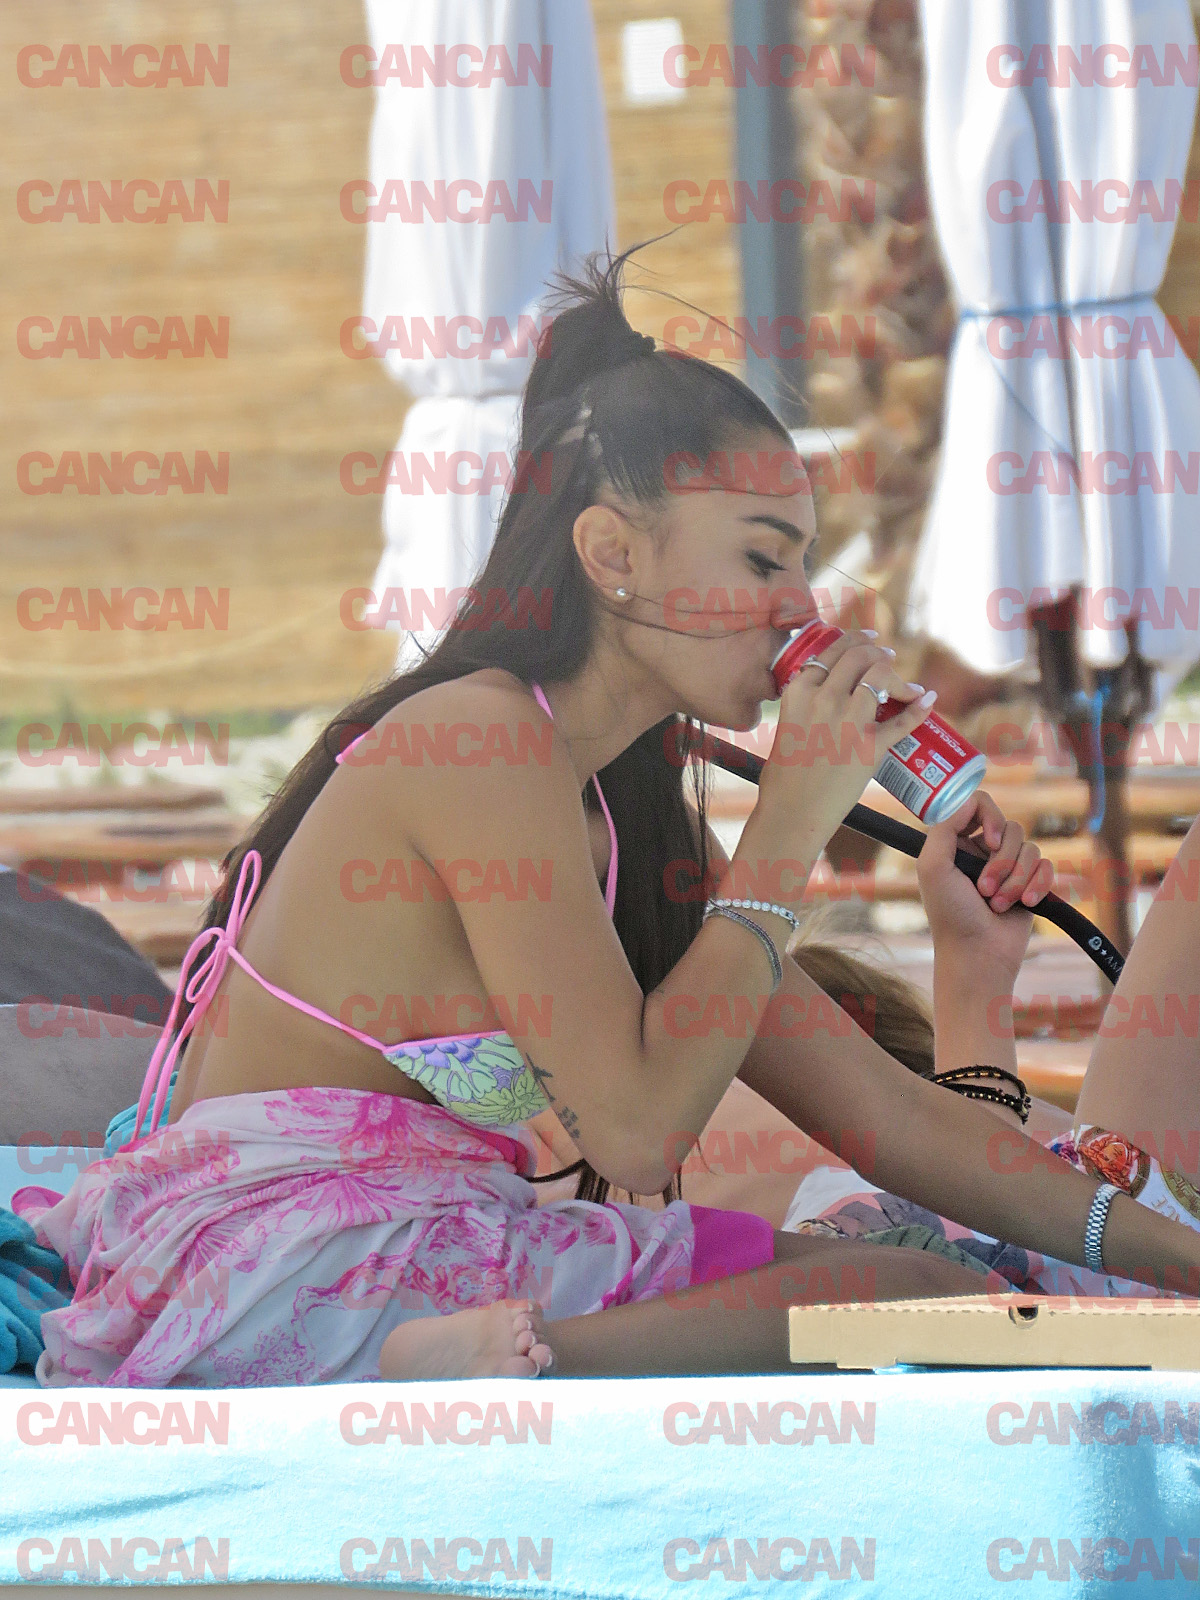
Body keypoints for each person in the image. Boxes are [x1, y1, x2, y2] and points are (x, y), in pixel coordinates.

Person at [15, 248, 1200, 1388]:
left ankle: (504, 1355)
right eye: (763, 559)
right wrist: (792, 820)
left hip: (416, 1244)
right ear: (612, 553)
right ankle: (519, 1363)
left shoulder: (628, 820)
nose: (800, 607)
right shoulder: (473, 740)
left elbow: (890, 1116)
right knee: (903, 1291)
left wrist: (1177, 1257)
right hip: (275, 1266)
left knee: (919, 1286)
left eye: (803, 565)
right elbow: (633, 1132)